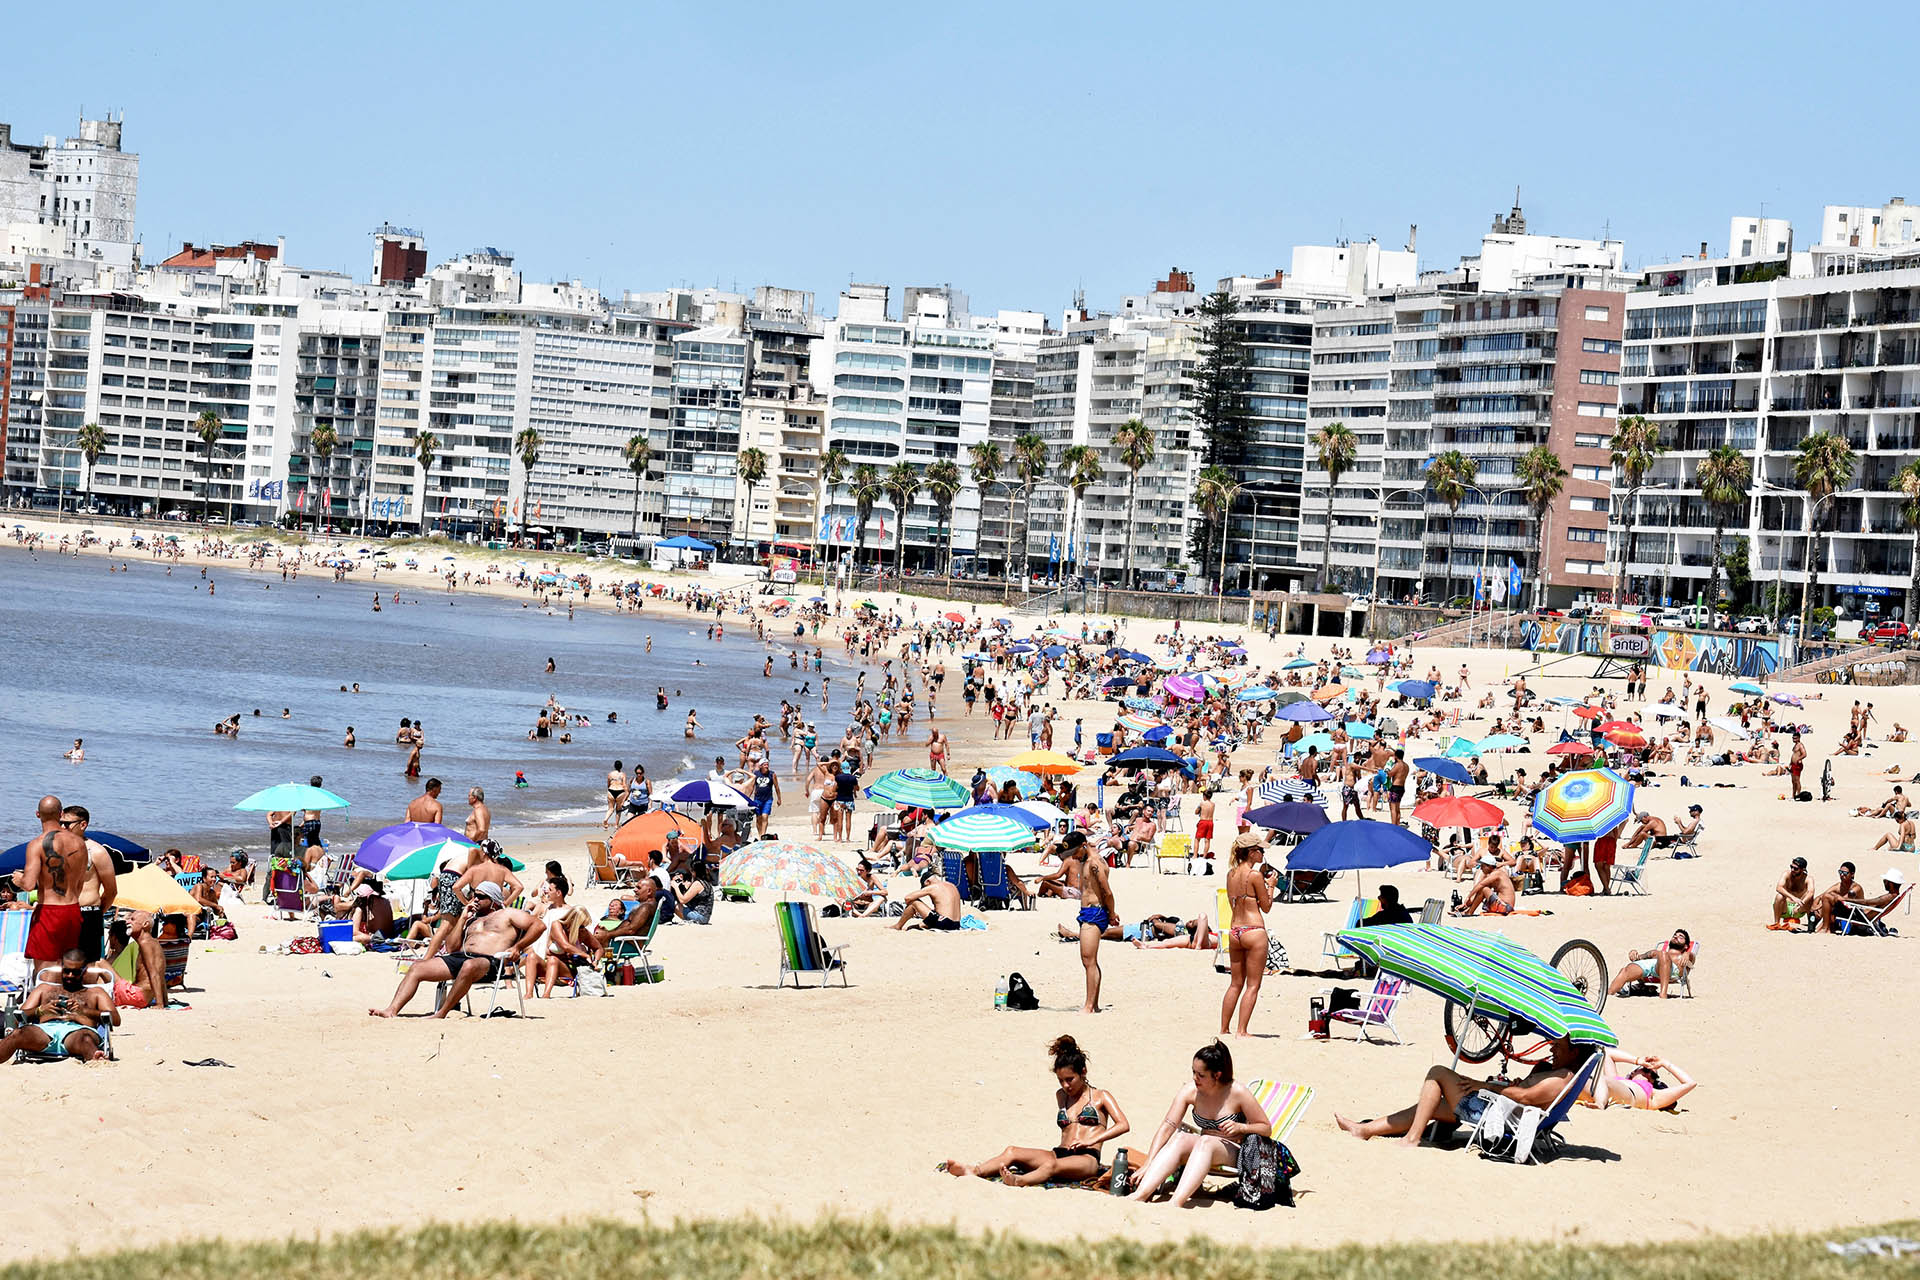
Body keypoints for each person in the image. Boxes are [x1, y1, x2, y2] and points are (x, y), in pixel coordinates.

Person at [939, 1035, 1129, 1186]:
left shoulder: (1101, 1096)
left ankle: (1019, 1181)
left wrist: (1091, 1140)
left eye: (1070, 1079)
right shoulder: (1061, 1096)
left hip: (1087, 1158)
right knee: (1012, 1151)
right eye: (1060, 1080)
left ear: (1083, 1072)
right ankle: (974, 1171)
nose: (1065, 1085)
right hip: (1059, 1153)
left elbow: (1123, 1125)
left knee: (1050, 1166)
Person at [1335, 1035, 1587, 1146]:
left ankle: (1412, 1138)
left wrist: (1486, 1087)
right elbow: (1522, 1092)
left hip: (1496, 1116)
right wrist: (1505, 1084)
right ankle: (1364, 1130)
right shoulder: (1556, 1072)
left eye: (1559, 1047)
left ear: (1575, 1052)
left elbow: (1522, 1097)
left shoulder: (1560, 1080)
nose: (1553, 1049)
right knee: (1427, 1106)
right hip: (1500, 1107)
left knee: (1437, 1072)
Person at [1121, 1041, 1272, 1206]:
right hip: (1202, 1149)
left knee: (1205, 1141)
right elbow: (1168, 1126)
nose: (1194, 1078)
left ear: (1217, 1075)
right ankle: (1140, 1194)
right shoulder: (1190, 1091)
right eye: (1193, 1072)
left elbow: (1266, 1128)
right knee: (1181, 1138)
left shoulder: (1237, 1092)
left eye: (1201, 1075)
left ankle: (1175, 1202)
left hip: (1233, 1151)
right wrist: (1148, 1163)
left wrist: (1242, 1127)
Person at [369, 883, 542, 1018]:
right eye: (474, 895)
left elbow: (538, 925)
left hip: (491, 962)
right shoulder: (471, 920)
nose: (475, 899)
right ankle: (391, 1010)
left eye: (481, 896)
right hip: (461, 958)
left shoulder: (508, 914)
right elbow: (451, 947)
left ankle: (442, 1012)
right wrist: (462, 919)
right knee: (417, 967)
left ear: (493, 900)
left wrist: (518, 947)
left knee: (469, 965)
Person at [15, 796, 111, 967]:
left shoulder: (37, 844)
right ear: (60, 814)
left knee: (45, 972)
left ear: (38, 814)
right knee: (69, 969)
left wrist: (19, 880)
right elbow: (79, 884)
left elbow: (29, 885)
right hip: (73, 909)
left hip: (49, 911)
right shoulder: (80, 844)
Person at [0, 951, 115, 1064]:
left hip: (78, 1032)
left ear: (84, 970)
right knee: (17, 1034)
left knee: (85, 1040)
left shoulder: (95, 993)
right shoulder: (44, 989)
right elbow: (17, 1017)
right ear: (61, 966)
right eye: (67, 971)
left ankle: (98, 1061)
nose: (70, 975)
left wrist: (84, 1011)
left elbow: (115, 1019)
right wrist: (40, 1011)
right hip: (44, 1033)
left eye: (76, 972)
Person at [1221, 833, 1273, 1038]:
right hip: (1253, 930)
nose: (1262, 853)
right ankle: (1242, 1030)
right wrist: (1271, 885)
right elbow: (1266, 907)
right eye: (1260, 850)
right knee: (1253, 985)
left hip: (1235, 930)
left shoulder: (1230, 874)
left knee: (1235, 983)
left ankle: (1224, 1028)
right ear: (1251, 852)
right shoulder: (1254, 875)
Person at [1067, 832, 1115, 1014]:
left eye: (1075, 852)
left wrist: (1111, 913)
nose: (1073, 857)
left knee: (1088, 960)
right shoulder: (1090, 861)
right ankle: (1093, 1004)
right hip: (1090, 912)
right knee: (1091, 961)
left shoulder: (1094, 863)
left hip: (1094, 913)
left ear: (1083, 845)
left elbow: (1107, 891)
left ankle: (1089, 1006)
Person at [1586, 1049, 1698, 1112]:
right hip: (1601, 1087)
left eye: (1654, 1076)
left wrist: (1664, 1063)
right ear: (1632, 1074)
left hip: (1628, 1093)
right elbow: (1608, 1053)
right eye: (1645, 1069)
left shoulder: (1654, 1096)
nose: (1649, 1074)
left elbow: (1690, 1083)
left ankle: (1600, 1103)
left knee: (1602, 1079)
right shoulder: (1617, 1078)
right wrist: (1638, 1060)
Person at [1608, 928, 1695, 998]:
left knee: (1663, 955)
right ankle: (1608, 994)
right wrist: (1633, 953)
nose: (1676, 936)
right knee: (1626, 969)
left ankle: (1663, 994)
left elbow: (1692, 958)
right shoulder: (1656, 953)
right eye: (1675, 935)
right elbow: (1638, 958)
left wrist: (1687, 953)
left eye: (1681, 937)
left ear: (1686, 946)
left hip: (1672, 971)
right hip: (1653, 966)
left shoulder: (1684, 956)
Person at [892, 866, 966, 932]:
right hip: (956, 925)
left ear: (927, 882)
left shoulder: (933, 887)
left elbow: (907, 898)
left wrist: (914, 909)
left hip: (944, 923)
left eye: (924, 886)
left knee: (914, 902)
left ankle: (898, 926)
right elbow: (943, 909)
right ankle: (923, 924)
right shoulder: (952, 885)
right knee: (918, 922)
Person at [1811, 861, 1866, 933]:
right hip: (1843, 910)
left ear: (1852, 874)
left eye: (1845, 873)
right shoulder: (1838, 886)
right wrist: (1815, 907)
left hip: (1856, 914)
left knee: (1828, 899)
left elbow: (1843, 900)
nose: (1842, 875)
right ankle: (1820, 926)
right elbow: (1820, 896)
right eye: (1840, 872)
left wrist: (1821, 904)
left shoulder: (1856, 888)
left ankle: (1826, 928)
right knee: (1823, 901)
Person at [1769, 856, 1817, 930]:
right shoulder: (1786, 874)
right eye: (1791, 867)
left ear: (1803, 869)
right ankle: (1777, 924)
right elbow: (1778, 887)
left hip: (1798, 908)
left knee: (1810, 898)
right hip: (1785, 908)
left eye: (1796, 868)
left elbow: (1811, 892)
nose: (1792, 870)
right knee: (1779, 896)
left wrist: (1799, 905)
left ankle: (1810, 925)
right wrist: (1793, 898)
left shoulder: (1808, 879)